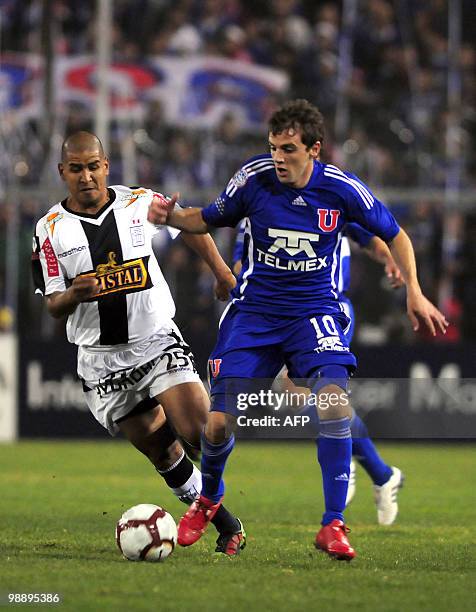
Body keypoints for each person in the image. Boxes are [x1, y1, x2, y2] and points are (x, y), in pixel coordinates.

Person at [149, 99, 448, 561]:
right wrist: (169, 215)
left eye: (288, 149)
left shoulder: (342, 190)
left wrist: (414, 290)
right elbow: (205, 218)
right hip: (254, 313)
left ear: (314, 148)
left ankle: (333, 524)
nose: (279, 158)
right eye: (273, 148)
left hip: (314, 312)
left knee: (332, 403)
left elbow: (395, 235)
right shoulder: (253, 181)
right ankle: (208, 498)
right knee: (215, 423)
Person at [31, 131, 245, 556]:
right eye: (76, 169)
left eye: (94, 166)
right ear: (63, 173)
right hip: (101, 362)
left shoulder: (138, 201)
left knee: (202, 433)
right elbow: (54, 304)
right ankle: (227, 524)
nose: (87, 176)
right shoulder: (49, 230)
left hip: (155, 340)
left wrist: (221, 271)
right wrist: (75, 294)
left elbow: (189, 224)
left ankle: (207, 504)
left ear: (106, 166)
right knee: (164, 454)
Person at [232, 219, 405, 525]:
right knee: (308, 395)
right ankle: (381, 473)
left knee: (306, 389)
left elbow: (371, 239)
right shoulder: (258, 207)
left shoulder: (329, 195)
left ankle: (353, 458)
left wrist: (391, 259)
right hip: (283, 311)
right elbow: (240, 264)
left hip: (328, 307)